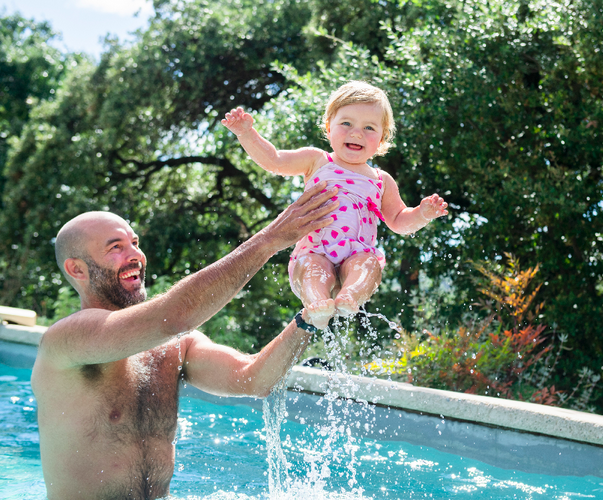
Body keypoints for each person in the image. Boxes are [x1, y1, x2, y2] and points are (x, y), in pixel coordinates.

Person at [30, 182, 337, 500]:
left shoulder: (175, 345)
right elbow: (175, 315)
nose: (135, 255)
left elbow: (255, 379)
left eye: (135, 243)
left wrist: (312, 315)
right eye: (115, 247)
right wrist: (270, 239)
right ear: (77, 269)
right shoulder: (66, 341)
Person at [222, 81, 448, 329]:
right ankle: (317, 302)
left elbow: (398, 221)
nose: (356, 132)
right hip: (315, 252)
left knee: (369, 265)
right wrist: (246, 133)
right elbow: (274, 161)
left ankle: (350, 296)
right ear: (329, 128)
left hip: (357, 255)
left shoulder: (381, 181)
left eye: (369, 127)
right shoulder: (317, 161)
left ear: (381, 138)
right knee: (314, 269)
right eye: (347, 123)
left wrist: (422, 214)